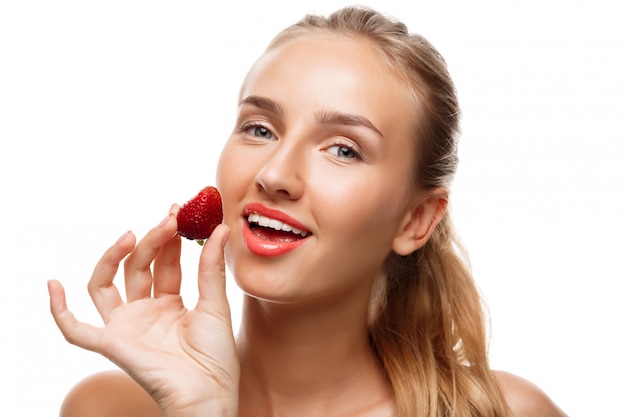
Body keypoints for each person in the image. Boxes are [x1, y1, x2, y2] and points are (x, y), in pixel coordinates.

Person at [48, 6, 568, 417]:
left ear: (416, 221)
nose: (274, 174)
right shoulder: (106, 408)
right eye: (259, 129)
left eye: (343, 149)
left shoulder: (500, 412)